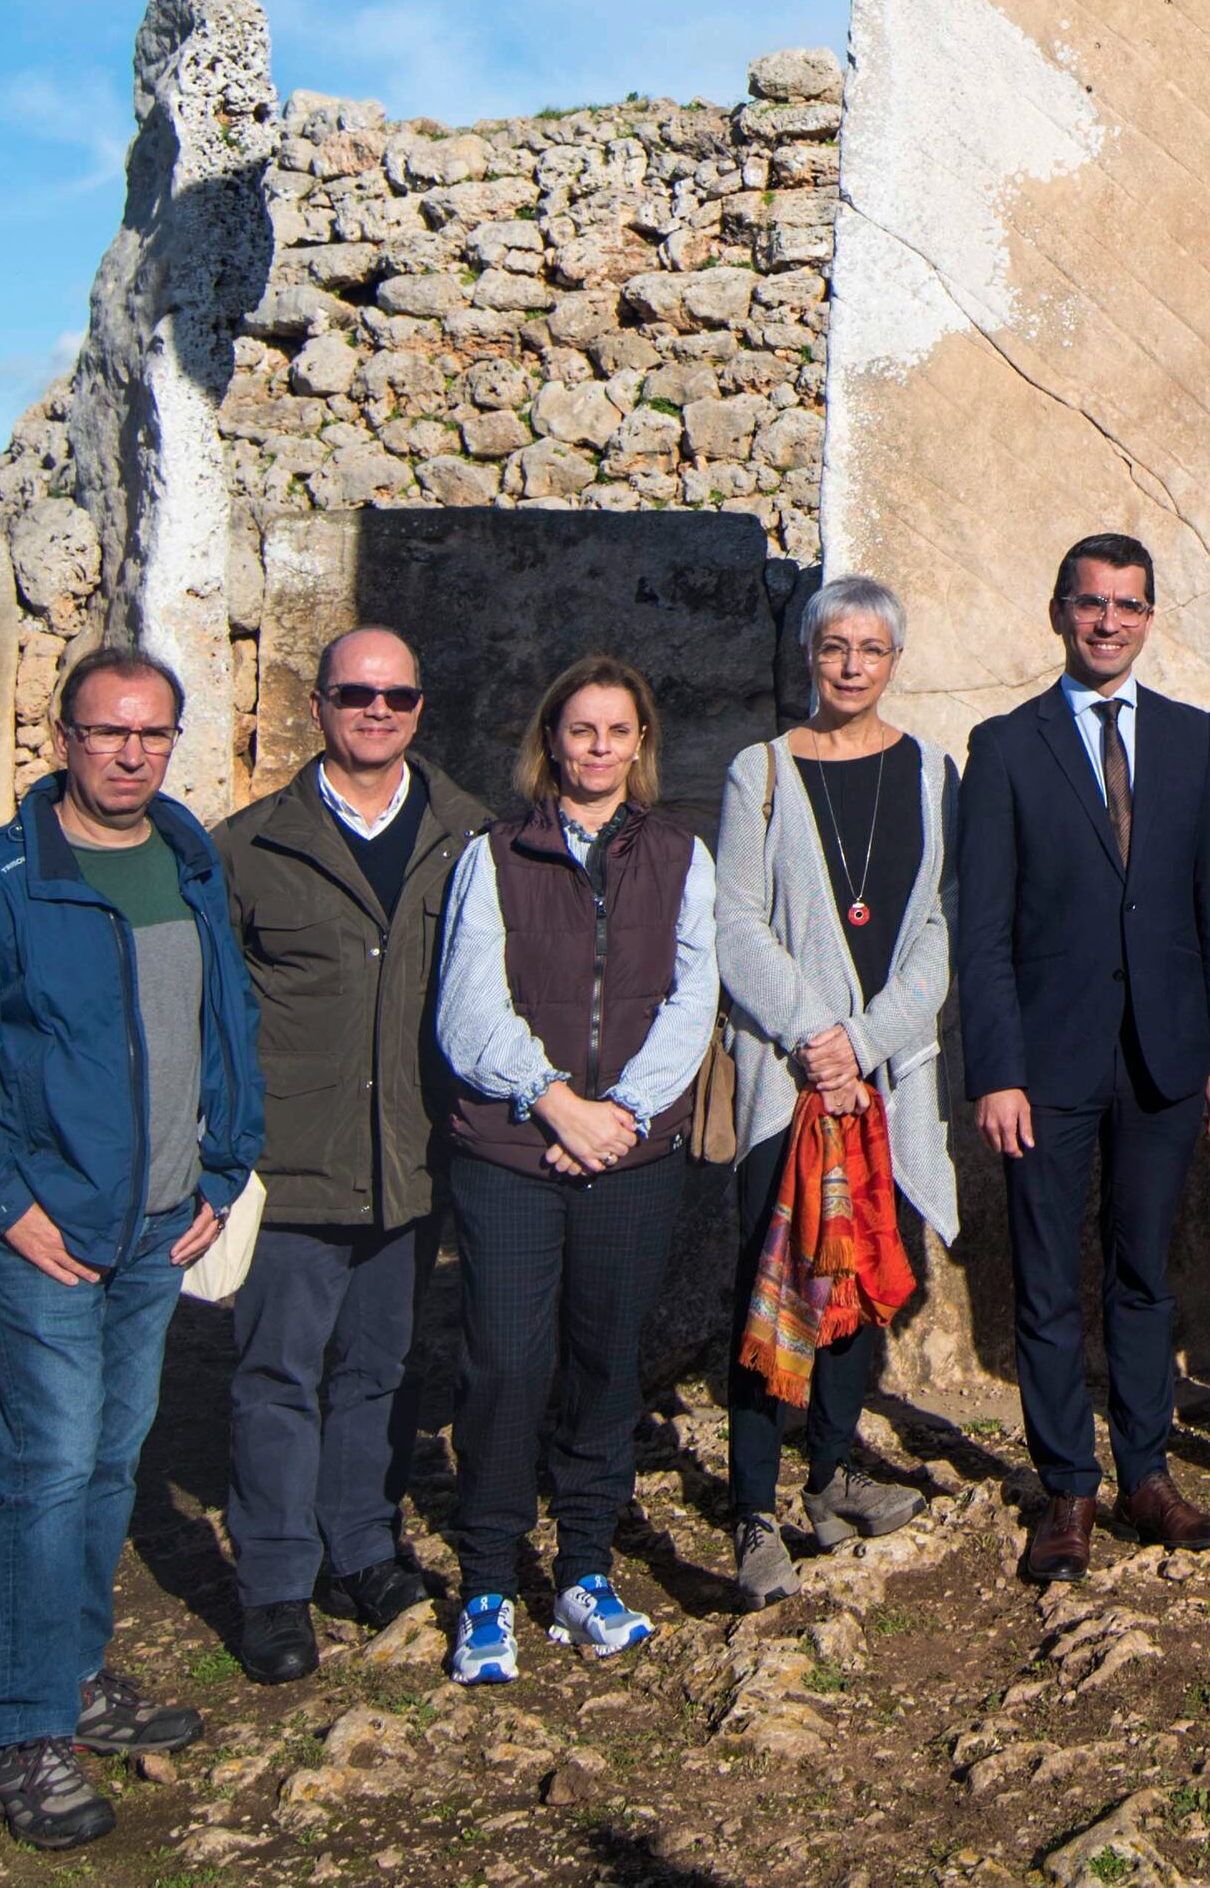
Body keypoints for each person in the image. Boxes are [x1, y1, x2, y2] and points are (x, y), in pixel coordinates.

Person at [0, 643, 262, 1851]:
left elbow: (221, 1033)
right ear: (61, 741)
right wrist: (4, 1201)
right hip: (50, 1233)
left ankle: (77, 1677)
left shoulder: (189, 860)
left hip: (158, 1222)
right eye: (107, 732)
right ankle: (26, 1732)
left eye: (151, 733)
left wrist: (220, 1166)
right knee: (44, 1471)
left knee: (108, 1461)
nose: (130, 753)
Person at [951, 533, 1210, 1583]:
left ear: (1149, 616)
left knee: (1141, 1274)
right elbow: (978, 925)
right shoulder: (1004, 745)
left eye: (1127, 604)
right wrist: (994, 1067)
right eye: (1090, 603)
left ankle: (1146, 1472)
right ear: (1057, 612)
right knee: (1042, 1278)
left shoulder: (1189, 737)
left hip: (1165, 1057)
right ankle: (1064, 1487)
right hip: (1043, 1060)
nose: (1108, 620)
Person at [432, 655, 720, 1681]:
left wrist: (623, 1113)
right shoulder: (495, 853)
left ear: (639, 744)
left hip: (631, 1153)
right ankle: (486, 1583)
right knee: (506, 1363)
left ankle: (586, 1568)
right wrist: (554, 1099)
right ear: (549, 741)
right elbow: (468, 1007)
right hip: (512, 1146)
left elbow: (694, 998)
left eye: (616, 730)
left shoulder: (680, 854)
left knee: (606, 1362)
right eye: (579, 729)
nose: (597, 747)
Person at [211, 624, 489, 1683]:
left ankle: (360, 1547)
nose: (377, 710)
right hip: (295, 1156)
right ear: (317, 703)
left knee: (380, 1364)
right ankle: (276, 1580)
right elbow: (218, 1014)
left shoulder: (467, 836)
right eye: (355, 692)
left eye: (398, 695)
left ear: (421, 708)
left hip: (412, 1153)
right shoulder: (246, 848)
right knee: (277, 1371)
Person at [708, 576, 955, 1600]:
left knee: (857, 1281)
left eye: (870, 648)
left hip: (886, 1076)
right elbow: (734, 920)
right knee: (775, 1285)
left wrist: (862, 1039)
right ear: (808, 655)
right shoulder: (758, 771)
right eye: (833, 646)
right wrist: (816, 1038)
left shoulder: (932, 768)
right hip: (789, 1076)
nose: (851, 664)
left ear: (893, 659)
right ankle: (753, 1505)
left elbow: (940, 928)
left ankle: (833, 1472)